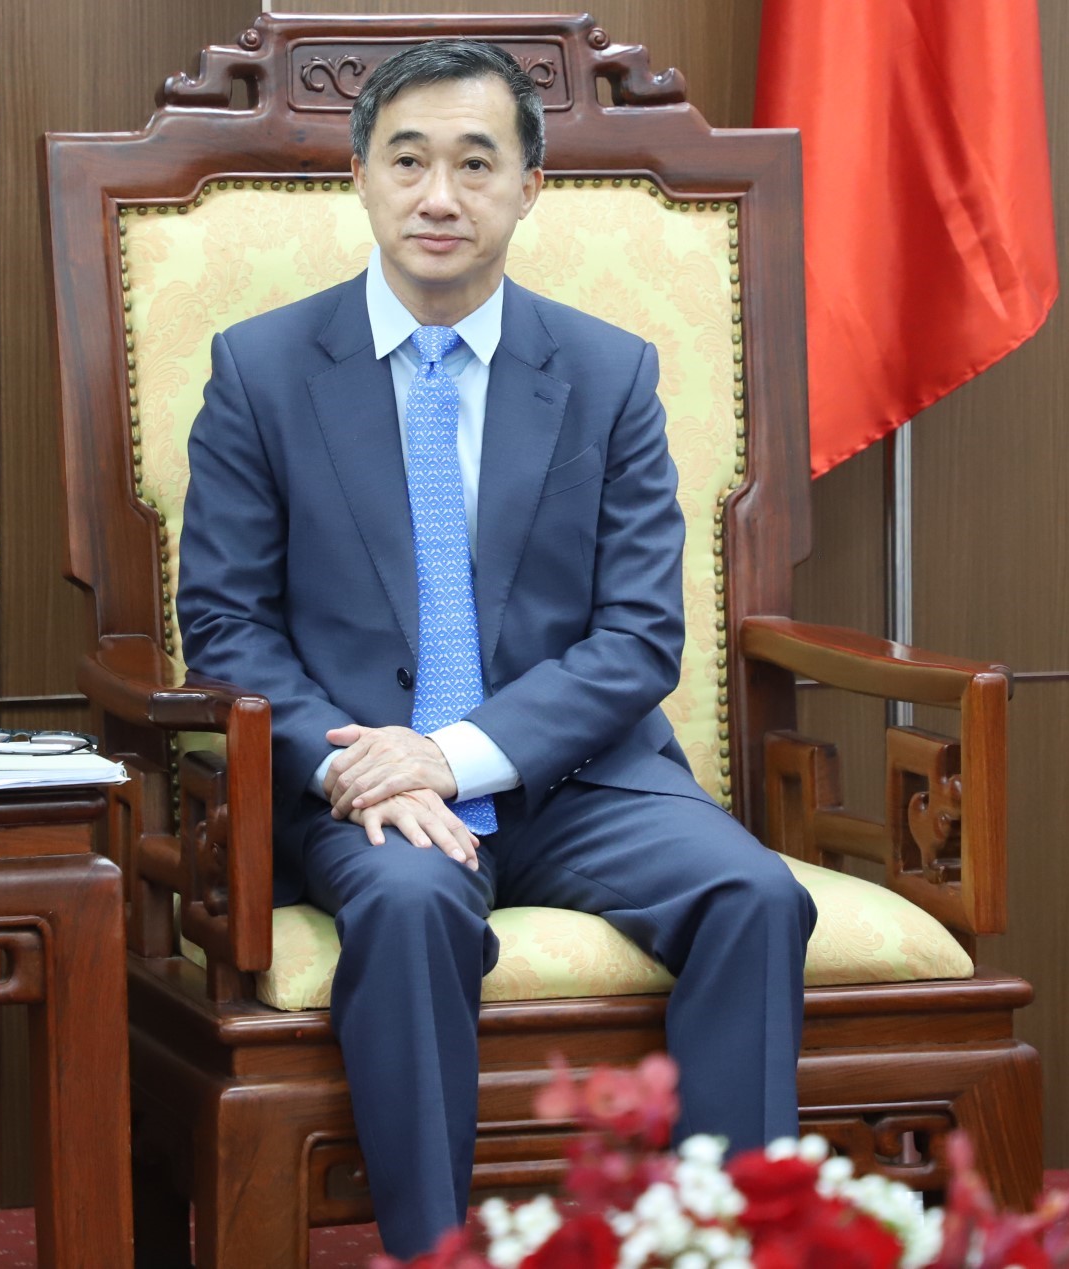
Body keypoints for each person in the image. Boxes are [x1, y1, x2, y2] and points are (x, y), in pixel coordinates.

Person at [177, 38, 818, 1260]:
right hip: (363, 787)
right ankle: (435, 1249)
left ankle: (722, 1239)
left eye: (476, 164)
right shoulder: (261, 371)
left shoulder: (608, 372)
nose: (439, 196)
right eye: (407, 160)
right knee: (410, 905)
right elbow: (224, 625)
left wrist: (456, 754)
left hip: (578, 779)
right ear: (359, 176)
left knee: (754, 895)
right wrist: (357, 764)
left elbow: (640, 637)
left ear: (531, 187)